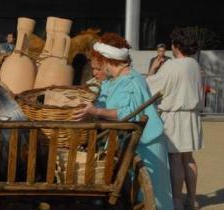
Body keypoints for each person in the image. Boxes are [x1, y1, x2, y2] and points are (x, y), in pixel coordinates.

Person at [73, 33, 173, 210]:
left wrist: (95, 111)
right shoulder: (114, 80)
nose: (99, 69)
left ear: (109, 60)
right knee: (133, 193)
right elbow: (102, 98)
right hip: (130, 143)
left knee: (154, 195)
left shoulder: (131, 81)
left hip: (147, 145)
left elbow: (126, 114)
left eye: (101, 63)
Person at [146, 27, 203, 210]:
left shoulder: (171, 65)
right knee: (189, 158)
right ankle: (192, 198)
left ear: (177, 45)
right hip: (191, 115)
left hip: (174, 115)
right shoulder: (194, 64)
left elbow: (151, 88)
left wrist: (153, 70)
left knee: (175, 158)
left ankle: (177, 200)